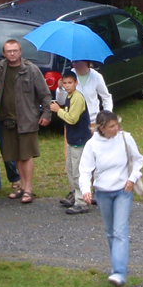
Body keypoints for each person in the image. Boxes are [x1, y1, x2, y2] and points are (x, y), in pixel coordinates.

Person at [0, 39, 52, 203]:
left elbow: (44, 94)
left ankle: (28, 190)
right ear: (4, 53)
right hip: (7, 121)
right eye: (9, 51)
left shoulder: (31, 69)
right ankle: (21, 187)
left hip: (27, 120)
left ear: (20, 51)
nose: (12, 54)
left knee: (26, 155)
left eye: (15, 50)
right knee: (16, 156)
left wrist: (46, 113)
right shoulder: (0, 68)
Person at [78, 110, 143, 287]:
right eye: (112, 126)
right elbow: (85, 170)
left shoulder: (125, 138)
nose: (117, 128)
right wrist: (86, 190)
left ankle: (119, 273)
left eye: (117, 124)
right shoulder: (92, 145)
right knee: (110, 232)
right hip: (103, 193)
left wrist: (132, 179)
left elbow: (138, 160)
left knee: (120, 231)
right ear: (102, 128)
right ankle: (117, 266)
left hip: (123, 191)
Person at [50, 71, 91, 214]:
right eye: (65, 83)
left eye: (70, 83)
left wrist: (58, 111)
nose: (67, 86)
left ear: (76, 83)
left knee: (78, 171)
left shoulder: (77, 98)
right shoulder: (69, 96)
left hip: (80, 139)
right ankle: (75, 194)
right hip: (73, 139)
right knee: (70, 168)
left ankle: (82, 201)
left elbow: (72, 119)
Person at [70, 59, 112, 128]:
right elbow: (61, 101)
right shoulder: (69, 76)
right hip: (75, 120)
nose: (74, 64)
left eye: (76, 61)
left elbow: (106, 97)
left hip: (93, 120)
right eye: (73, 61)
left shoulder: (96, 76)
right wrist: (60, 89)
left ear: (86, 62)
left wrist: (107, 114)